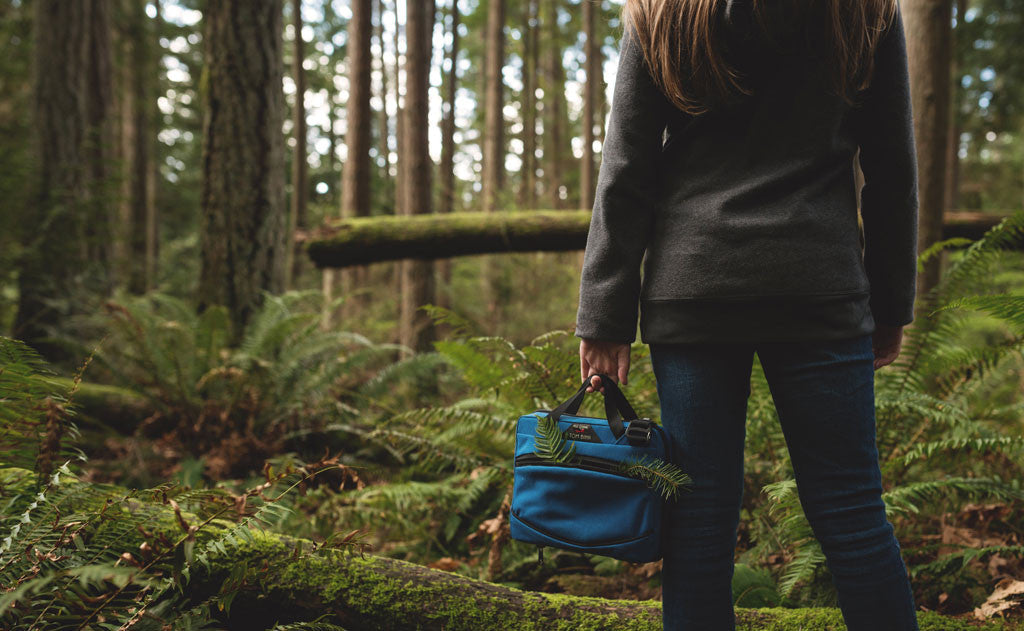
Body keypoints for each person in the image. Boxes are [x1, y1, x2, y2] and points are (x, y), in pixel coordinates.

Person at [574, 0, 921, 629]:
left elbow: (626, 165)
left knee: (699, 522)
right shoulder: (865, 10)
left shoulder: (660, 10)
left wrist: (604, 313)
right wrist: (891, 301)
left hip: (694, 289)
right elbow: (892, 168)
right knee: (852, 515)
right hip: (820, 288)